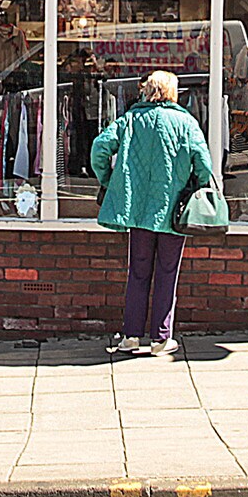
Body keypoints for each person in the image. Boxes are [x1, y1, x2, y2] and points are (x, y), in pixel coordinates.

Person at [90, 69, 213, 358]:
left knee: (138, 273)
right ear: (173, 92)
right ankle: (160, 339)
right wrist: (197, 186)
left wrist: (109, 180)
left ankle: (131, 336)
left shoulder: (130, 119)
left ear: (147, 91)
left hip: (138, 211)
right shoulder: (186, 122)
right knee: (167, 274)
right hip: (173, 212)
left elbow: (99, 148)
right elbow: (204, 163)